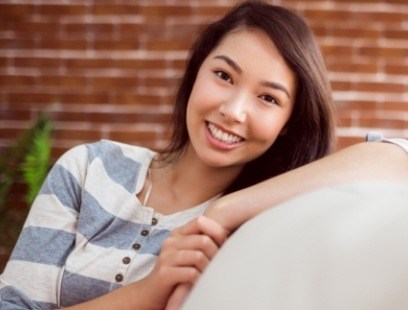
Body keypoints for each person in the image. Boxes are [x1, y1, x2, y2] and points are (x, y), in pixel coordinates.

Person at [0, 1, 407, 309]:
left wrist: (223, 211)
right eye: (224, 75)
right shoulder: (91, 167)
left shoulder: (266, 210)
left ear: (288, 121)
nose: (233, 110)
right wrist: (150, 290)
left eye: (268, 97)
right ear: (196, 72)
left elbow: (398, 158)